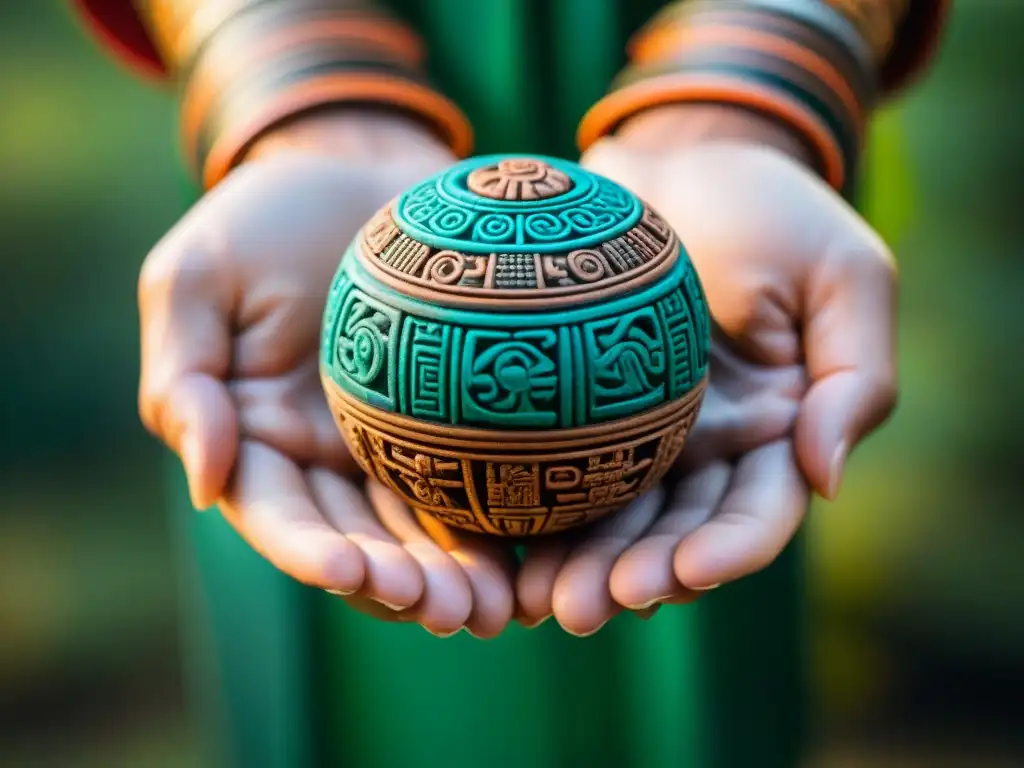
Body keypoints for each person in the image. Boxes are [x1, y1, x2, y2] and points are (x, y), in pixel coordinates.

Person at [71, 1, 950, 766]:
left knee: (703, 693)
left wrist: (753, 73)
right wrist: (292, 75)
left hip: (698, 152)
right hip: (306, 254)